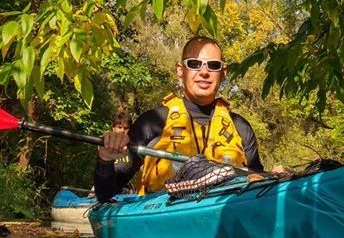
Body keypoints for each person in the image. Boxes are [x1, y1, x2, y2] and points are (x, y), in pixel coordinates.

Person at [94, 36, 263, 201]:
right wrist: (105, 161)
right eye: (194, 64)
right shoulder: (152, 122)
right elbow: (105, 193)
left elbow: (259, 190)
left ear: (223, 73)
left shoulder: (240, 127)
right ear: (180, 70)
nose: (204, 72)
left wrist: (273, 177)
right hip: (163, 225)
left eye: (213, 65)